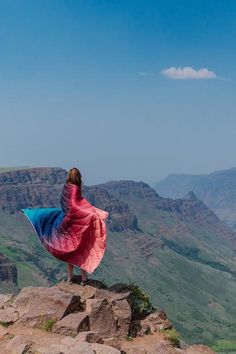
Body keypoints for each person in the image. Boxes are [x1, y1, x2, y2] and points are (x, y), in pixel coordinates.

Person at [20, 167, 109, 285]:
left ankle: (70, 279)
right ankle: (84, 280)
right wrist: (91, 214)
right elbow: (75, 205)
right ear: (78, 177)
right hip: (73, 225)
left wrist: (82, 212)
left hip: (67, 222)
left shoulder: (66, 188)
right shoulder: (75, 189)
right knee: (83, 250)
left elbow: (69, 204)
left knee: (70, 252)